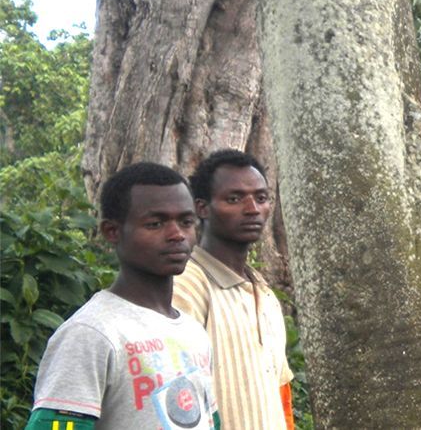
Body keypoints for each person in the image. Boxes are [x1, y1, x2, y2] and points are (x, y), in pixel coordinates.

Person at [27, 163, 220, 430]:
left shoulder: (193, 331)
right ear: (112, 232)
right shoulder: (92, 333)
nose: (177, 235)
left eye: (186, 222)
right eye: (155, 223)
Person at [173, 150, 294, 430]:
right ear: (202, 208)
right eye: (234, 199)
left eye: (261, 198)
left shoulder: (265, 294)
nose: (252, 209)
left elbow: (281, 395)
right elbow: (168, 394)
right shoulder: (185, 286)